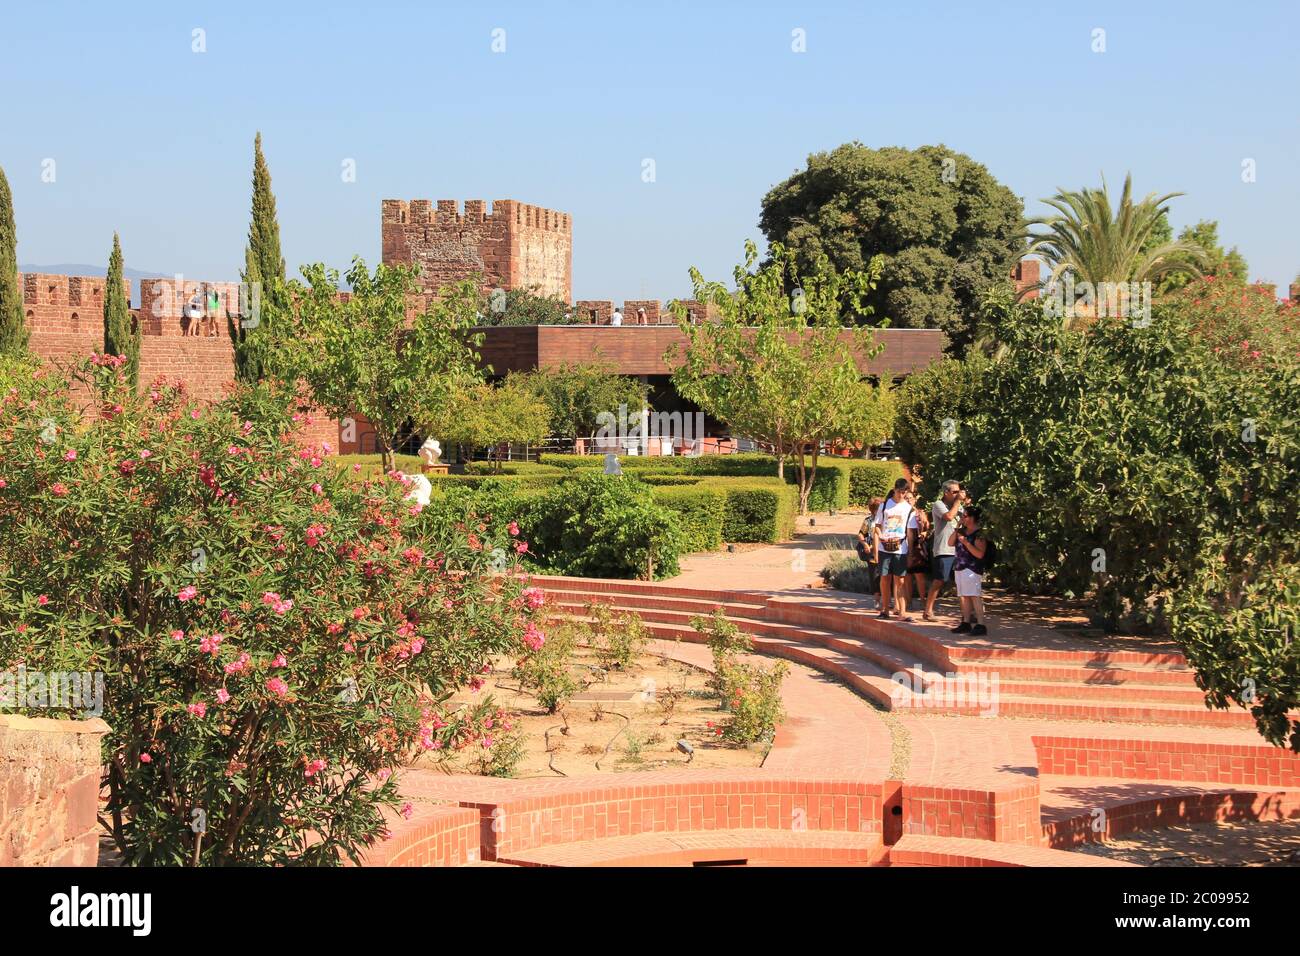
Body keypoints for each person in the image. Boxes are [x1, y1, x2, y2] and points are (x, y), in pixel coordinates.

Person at [873, 478, 918, 621]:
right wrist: (881, 538)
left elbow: (911, 532)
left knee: (901, 580)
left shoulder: (908, 509)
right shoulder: (885, 505)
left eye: (904, 492)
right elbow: (877, 526)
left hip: (900, 548)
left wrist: (911, 553)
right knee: (884, 579)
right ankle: (885, 609)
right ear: (894, 489)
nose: (901, 495)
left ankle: (902, 611)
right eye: (899, 492)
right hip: (884, 547)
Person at [925, 480, 965, 621]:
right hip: (944, 549)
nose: (957, 495)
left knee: (961, 581)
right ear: (946, 492)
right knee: (939, 580)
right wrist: (958, 502)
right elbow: (948, 517)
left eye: (959, 491)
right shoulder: (938, 505)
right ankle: (928, 611)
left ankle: (967, 614)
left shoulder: (959, 506)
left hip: (959, 550)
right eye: (954, 492)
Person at [948, 504, 989, 636]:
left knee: (974, 596)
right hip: (959, 567)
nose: (963, 518)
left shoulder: (979, 534)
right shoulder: (962, 531)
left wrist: (966, 542)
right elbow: (949, 543)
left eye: (965, 516)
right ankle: (966, 622)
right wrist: (957, 528)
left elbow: (980, 554)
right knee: (964, 596)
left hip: (971, 568)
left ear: (972, 518)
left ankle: (981, 624)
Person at [856, 496, 885, 609]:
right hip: (872, 555)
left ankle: (886, 599)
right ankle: (877, 600)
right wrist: (865, 544)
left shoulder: (885, 520)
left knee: (885, 576)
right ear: (873, 510)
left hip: (884, 551)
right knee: (875, 577)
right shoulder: (868, 521)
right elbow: (860, 534)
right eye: (878, 508)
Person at [905, 492, 930, 612]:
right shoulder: (902, 513)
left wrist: (924, 532)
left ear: (914, 500)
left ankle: (923, 602)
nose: (909, 500)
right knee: (907, 576)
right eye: (906, 498)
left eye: (911, 498)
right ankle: (908, 602)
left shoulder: (919, 513)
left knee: (919, 576)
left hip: (916, 547)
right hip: (903, 547)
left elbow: (927, 528)